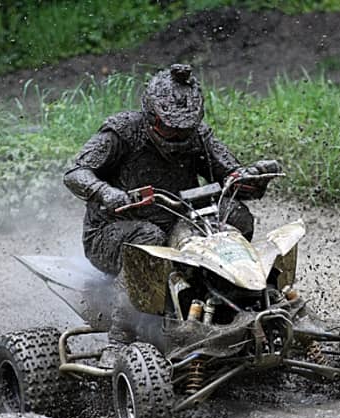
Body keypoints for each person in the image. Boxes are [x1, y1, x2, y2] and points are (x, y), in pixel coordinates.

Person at [64, 64, 281, 278]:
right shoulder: (123, 131)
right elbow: (76, 173)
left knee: (236, 215)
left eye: (184, 130)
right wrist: (105, 192)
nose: (177, 136)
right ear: (152, 116)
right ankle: (130, 296)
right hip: (113, 229)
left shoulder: (199, 137)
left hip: (182, 220)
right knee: (150, 238)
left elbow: (231, 180)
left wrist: (254, 178)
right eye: (169, 129)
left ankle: (234, 280)